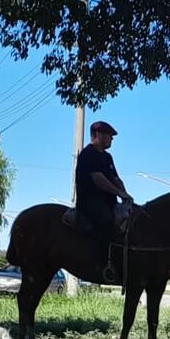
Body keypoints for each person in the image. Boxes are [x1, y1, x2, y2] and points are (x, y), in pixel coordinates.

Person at [75, 120, 132, 281]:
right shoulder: (88, 154)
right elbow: (98, 179)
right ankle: (101, 264)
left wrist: (126, 195)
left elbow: (115, 178)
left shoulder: (107, 158)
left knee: (129, 219)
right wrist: (119, 193)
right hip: (90, 202)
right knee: (106, 221)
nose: (111, 139)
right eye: (109, 136)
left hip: (109, 202)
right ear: (98, 135)